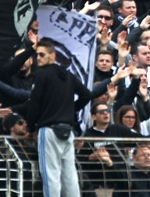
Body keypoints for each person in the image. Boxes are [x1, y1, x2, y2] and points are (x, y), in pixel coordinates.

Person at [25, 38, 93, 197]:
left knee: (51, 175)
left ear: (52, 55)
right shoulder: (68, 75)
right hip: (67, 130)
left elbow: (34, 104)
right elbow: (87, 95)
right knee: (70, 175)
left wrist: (30, 128)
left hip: (48, 130)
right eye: (37, 55)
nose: (38, 58)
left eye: (42, 55)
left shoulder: (42, 75)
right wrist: (71, 110)